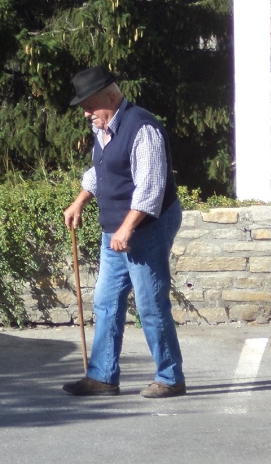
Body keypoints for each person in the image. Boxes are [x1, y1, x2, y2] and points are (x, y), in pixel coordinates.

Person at [62, 66, 186, 398]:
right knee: (106, 300)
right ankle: (102, 377)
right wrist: (79, 201)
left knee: (150, 302)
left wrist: (127, 228)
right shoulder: (102, 128)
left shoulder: (142, 128)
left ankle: (170, 378)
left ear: (111, 97)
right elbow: (101, 170)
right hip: (116, 228)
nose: (86, 113)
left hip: (148, 224)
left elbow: (151, 188)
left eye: (90, 105)